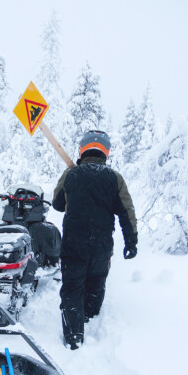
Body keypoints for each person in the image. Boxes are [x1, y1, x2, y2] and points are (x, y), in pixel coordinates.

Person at [52, 130, 138, 349]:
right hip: (101, 247)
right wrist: (131, 241)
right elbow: (126, 212)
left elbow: (57, 204)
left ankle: (74, 338)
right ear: (105, 152)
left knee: (72, 289)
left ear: (82, 148)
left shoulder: (71, 174)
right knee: (96, 284)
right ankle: (91, 318)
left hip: (73, 246)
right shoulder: (115, 178)